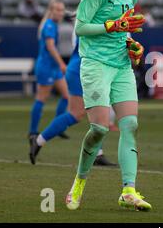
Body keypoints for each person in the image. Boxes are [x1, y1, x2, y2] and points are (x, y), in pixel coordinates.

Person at [65, 0, 151, 211]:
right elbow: (80, 28)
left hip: (121, 66)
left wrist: (132, 45)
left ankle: (128, 191)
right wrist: (111, 26)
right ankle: (79, 182)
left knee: (130, 125)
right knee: (100, 128)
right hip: (96, 65)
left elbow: (125, 31)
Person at [29, 32, 117, 166]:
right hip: (81, 72)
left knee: (100, 113)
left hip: (86, 71)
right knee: (77, 113)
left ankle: (97, 154)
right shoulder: (97, 22)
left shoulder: (98, 20)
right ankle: (39, 140)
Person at [27, 0, 69, 140]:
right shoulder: (49, 26)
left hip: (53, 67)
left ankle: (56, 127)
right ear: (51, 11)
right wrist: (62, 63)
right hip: (46, 67)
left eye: (62, 10)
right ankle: (33, 132)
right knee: (41, 98)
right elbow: (51, 47)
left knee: (66, 96)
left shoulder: (53, 25)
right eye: (58, 10)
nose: (61, 13)